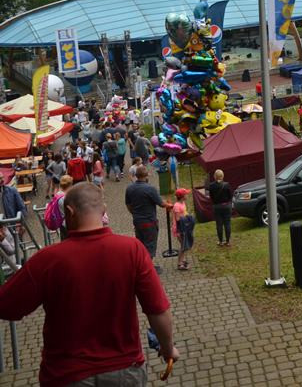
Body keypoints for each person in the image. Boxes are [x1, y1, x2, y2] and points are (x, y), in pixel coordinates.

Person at [0, 182, 179, 386]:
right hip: (124, 371)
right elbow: (157, 309)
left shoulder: (47, 259)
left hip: (66, 374)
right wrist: (168, 348)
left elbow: (6, 306)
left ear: (69, 212)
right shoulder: (132, 249)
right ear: (103, 210)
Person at [125, 165, 171, 267]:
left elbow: (128, 205)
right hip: (149, 221)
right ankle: (147, 268)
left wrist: (135, 214)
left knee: (141, 245)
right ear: (146, 176)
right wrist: (170, 205)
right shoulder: (150, 189)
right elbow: (161, 204)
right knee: (150, 245)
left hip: (137, 221)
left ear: (136, 175)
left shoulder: (129, 188)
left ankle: (142, 265)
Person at [208, 169, 233, 247]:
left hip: (217, 206)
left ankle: (220, 241)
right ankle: (228, 241)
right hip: (226, 206)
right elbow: (230, 196)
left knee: (219, 224)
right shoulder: (227, 185)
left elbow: (211, 197)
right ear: (222, 176)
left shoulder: (211, 186)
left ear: (215, 176)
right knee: (227, 224)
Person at [172, 189, 193, 271]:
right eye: (186, 194)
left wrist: (188, 215)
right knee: (183, 246)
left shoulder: (182, 203)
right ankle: (179, 264)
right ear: (182, 196)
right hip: (180, 228)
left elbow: (184, 213)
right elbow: (178, 219)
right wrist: (187, 217)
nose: (187, 195)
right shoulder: (177, 206)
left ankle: (182, 260)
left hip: (185, 227)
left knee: (184, 245)